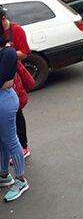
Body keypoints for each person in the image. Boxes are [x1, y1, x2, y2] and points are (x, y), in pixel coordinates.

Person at [0, 31, 29, 202]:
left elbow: (2, 79)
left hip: (5, 100)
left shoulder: (8, 52)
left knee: (11, 140)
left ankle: (20, 180)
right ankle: (4, 175)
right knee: (2, 140)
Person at [1, 10, 31, 159]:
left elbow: (25, 53)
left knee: (17, 113)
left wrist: (8, 52)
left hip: (13, 75)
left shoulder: (16, 30)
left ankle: (23, 146)